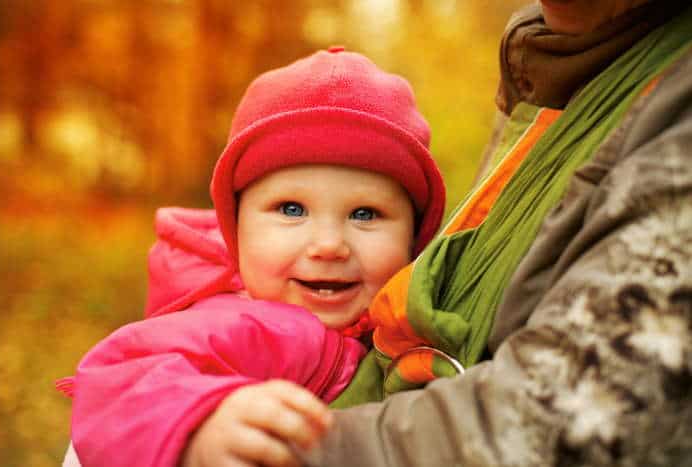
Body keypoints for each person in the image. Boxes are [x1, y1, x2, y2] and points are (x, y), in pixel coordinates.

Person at [294, 1, 692, 466]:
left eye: (364, 214)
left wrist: (235, 442)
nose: (327, 244)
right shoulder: (560, 64)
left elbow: (547, 432)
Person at [58, 47, 446, 467]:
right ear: (236, 229)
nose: (330, 244)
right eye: (292, 209)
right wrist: (200, 428)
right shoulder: (249, 323)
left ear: (414, 237)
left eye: (365, 214)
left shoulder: (396, 327)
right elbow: (118, 381)